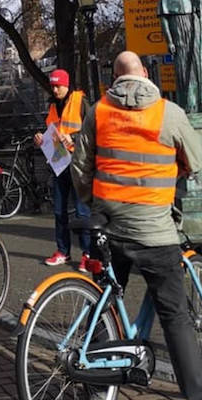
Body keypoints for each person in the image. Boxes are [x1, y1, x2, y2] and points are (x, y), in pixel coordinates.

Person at [71, 51, 202, 399]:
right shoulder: (169, 113)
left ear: (114, 79)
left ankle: (97, 385)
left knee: (103, 302)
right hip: (155, 233)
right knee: (175, 317)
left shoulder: (98, 112)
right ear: (145, 73)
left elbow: (80, 166)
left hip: (109, 227)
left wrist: (92, 203)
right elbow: (196, 159)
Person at [34, 69, 91, 271]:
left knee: (82, 211)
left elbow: (93, 129)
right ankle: (63, 251)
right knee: (59, 211)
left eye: (58, 85)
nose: (55, 89)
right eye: (53, 86)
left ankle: (88, 254)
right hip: (59, 163)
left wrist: (74, 138)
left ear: (67, 85)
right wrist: (41, 140)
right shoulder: (52, 106)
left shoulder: (81, 101)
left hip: (78, 163)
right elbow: (53, 133)